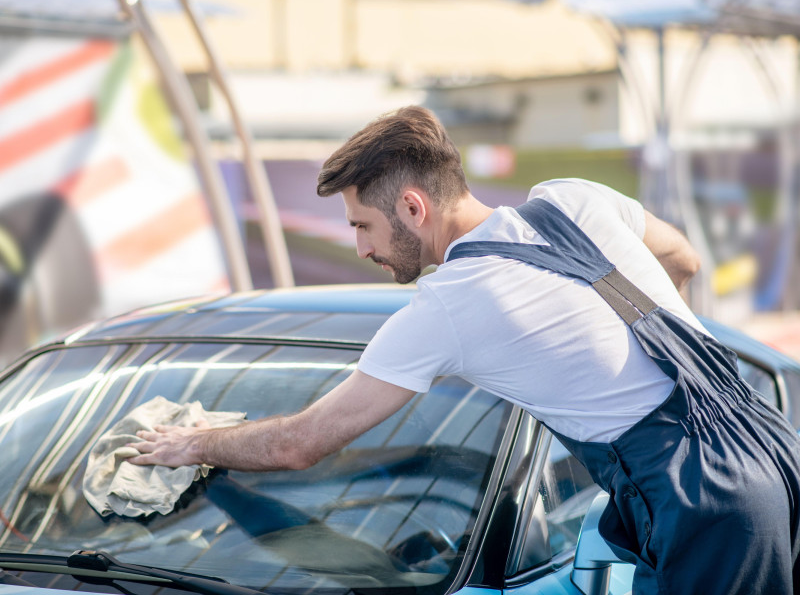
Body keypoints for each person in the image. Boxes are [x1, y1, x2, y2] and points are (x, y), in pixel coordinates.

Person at [128, 106, 800, 594]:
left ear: (414, 208)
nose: (360, 247)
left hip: (704, 502)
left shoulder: (450, 303)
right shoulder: (571, 198)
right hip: (772, 446)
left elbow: (299, 445)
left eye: (362, 225)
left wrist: (194, 444)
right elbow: (681, 254)